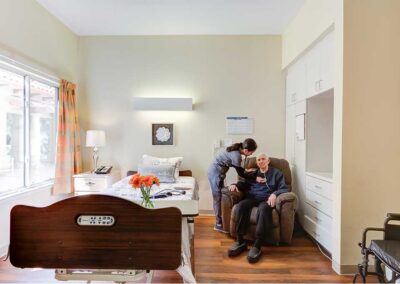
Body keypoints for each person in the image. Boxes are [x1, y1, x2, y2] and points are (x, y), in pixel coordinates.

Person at [227, 153, 288, 263]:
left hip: (266, 199)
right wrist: (234, 185)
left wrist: (275, 194)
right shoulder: (253, 173)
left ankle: (257, 244)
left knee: (263, 210)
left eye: (263, 159)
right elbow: (243, 183)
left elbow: (284, 188)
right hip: (253, 197)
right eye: (258, 160)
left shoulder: (277, 173)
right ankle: (240, 240)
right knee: (241, 205)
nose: (260, 161)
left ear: (268, 161)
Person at [208, 138, 263, 233]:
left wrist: (246, 171)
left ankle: (220, 221)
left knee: (220, 196)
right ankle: (218, 224)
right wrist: (254, 177)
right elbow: (241, 173)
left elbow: (239, 169)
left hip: (218, 172)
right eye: (251, 152)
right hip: (215, 173)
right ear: (246, 150)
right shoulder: (236, 155)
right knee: (217, 197)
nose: (251, 155)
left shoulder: (236, 149)